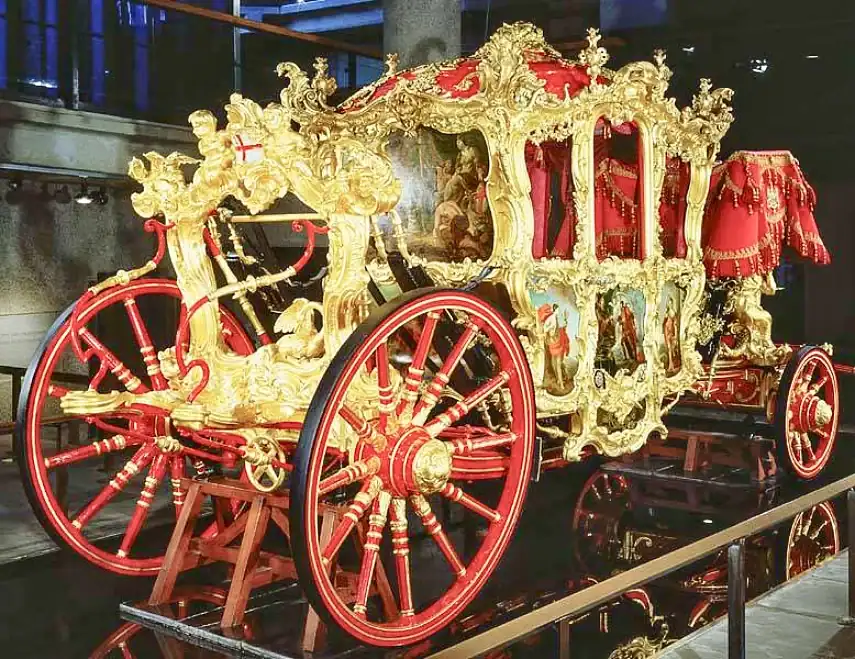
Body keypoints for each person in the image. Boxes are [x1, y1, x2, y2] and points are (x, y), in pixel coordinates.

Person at [539, 303, 571, 392]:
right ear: (555, 310)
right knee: (557, 363)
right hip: (554, 342)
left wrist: (566, 319)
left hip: (558, 341)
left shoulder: (558, 318)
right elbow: (545, 328)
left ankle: (558, 379)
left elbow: (563, 326)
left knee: (557, 362)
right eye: (558, 310)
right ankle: (560, 383)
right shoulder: (551, 318)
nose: (559, 312)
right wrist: (548, 336)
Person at [618, 299, 642, 364]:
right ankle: (629, 357)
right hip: (625, 329)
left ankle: (634, 357)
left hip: (629, 329)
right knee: (624, 342)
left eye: (621, 304)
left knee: (631, 343)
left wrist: (633, 325)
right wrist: (620, 321)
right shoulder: (621, 311)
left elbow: (630, 316)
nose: (620, 306)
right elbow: (620, 319)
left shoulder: (626, 309)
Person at [663, 297, 680, 373]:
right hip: (667, 333)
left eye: (670, 302)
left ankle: (673, 365)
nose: (669, 304)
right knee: (669, 349)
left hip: (672, 334)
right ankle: (670, 365)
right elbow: (664, 324)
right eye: (668, 303)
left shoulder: (673, 313)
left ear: (672, 303)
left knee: (673, 349)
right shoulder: (667, 313)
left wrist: (675, 335)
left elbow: (675, 325)